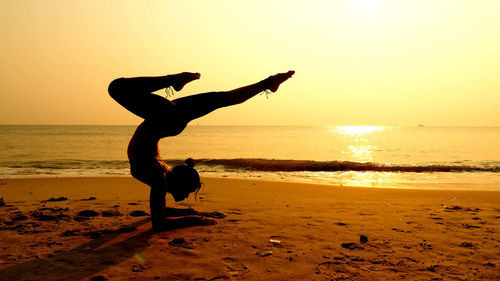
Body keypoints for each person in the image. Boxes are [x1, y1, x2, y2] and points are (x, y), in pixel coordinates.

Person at [108, 70, 295, 231]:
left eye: (188, 192)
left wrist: (192, 213)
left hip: (166, 121)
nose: (186, 197)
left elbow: (158, 217)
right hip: (166, 120)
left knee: (221, 99)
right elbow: (160, 221)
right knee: (221, 99)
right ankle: (265, 84)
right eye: (188, 192)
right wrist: (193, 218)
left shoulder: (160, 178)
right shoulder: (160, 177)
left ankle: (266, 84)